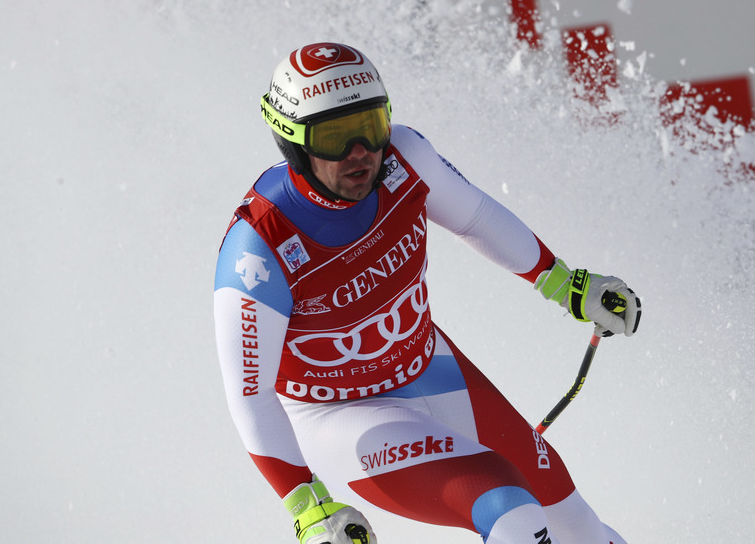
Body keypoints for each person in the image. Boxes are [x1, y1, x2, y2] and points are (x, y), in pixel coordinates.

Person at [214, 42, 642, 544]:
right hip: (341, 416)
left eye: (371, 127)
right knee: (514, 515)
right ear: (292, 142)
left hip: (433, 369)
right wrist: (307, 507)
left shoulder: (406, 158)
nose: (360, 153)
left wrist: (567, 286)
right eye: (334, 137)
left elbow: (476, 217)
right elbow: (249, 395)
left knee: (578, 527)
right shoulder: (260, 247)